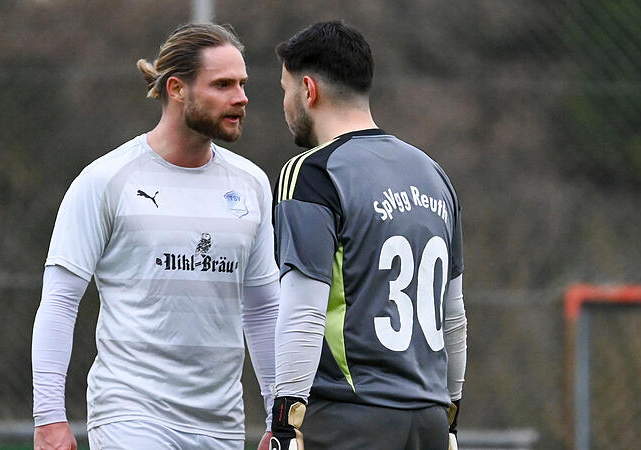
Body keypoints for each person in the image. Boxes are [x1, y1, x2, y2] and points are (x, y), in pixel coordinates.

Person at [31, 23, 279, 450]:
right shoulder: (106, 179)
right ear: (177, 89)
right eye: (222, 84)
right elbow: (60, 299)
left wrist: (281, 414)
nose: (241, 97)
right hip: (131, 416)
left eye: (242, 83)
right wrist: (49, 416)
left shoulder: (253, 184)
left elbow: (262, 310)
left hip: (221, 424)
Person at [269, 21, 468, 450]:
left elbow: (303, 311)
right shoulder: (435, 175)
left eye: (284, 90)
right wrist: (450, 417)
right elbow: (454, 317)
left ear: (308, 90)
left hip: (350, 418)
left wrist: (286, 424)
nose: (284, 104)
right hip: (429, 418)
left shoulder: (311, 174)